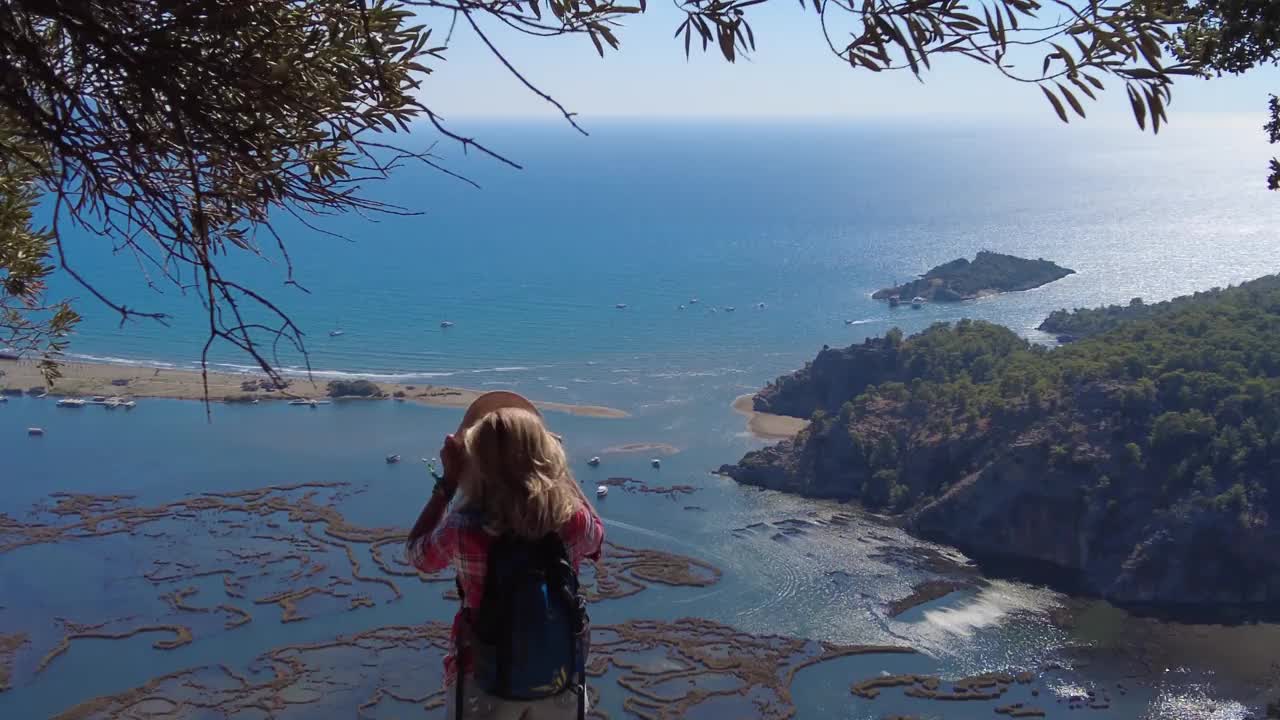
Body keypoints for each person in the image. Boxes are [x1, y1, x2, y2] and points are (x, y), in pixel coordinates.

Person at [406, 391, 604, 720]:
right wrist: (561, 471)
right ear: (545, 453)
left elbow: (417, 555)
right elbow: (597, 536)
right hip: (559, 681)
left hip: (483, 682)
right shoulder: (570, 522)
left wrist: (447, 484)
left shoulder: (463, 528)